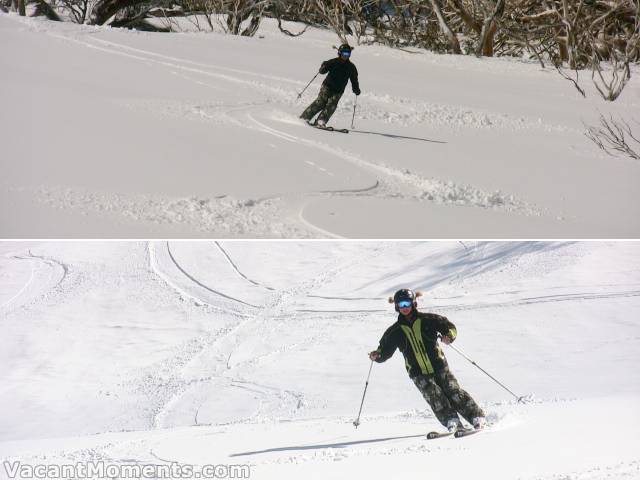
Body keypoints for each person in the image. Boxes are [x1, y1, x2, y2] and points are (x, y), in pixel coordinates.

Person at [369, 288, 486, 432]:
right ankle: (451, 421)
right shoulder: (395, 331)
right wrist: (377, 355)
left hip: (439, 365)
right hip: (417, 371)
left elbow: (450, 327)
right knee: (434, 396)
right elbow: (384, 350)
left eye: (407, 304)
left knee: (453, 391)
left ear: (413, 303)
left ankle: (476, 417)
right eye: (401, 305)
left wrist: (448, 336)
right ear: (396, 307)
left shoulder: (429, 320)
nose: (404, 308)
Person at [300, 43, 361, 127]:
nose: (346, 56)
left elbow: (354, 80)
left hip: (339, 90)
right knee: (321, 102)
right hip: (327, 86)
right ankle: (304, 117)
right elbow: (322, 71)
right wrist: (324, 66)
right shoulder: (333, 62)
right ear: (340, 53)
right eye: (344, 53)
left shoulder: (351, 67)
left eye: (348, 54)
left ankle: (321, 121)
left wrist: (356, 89)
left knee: (332, 105)